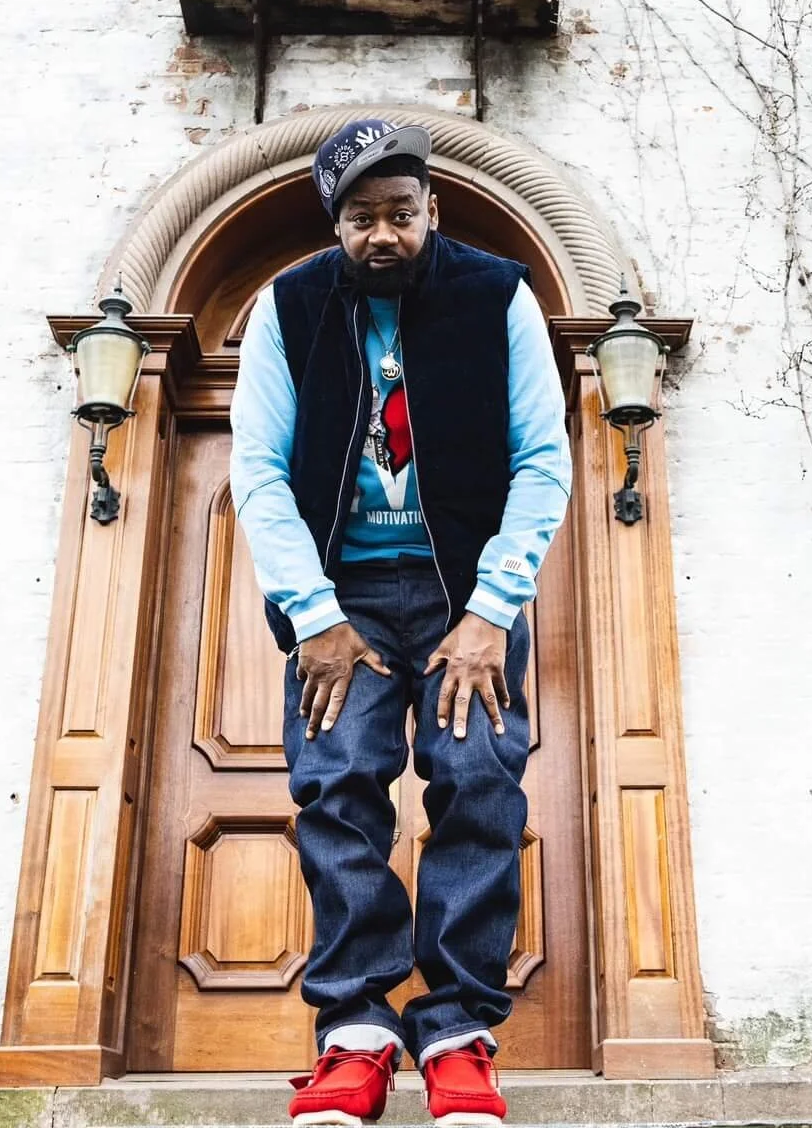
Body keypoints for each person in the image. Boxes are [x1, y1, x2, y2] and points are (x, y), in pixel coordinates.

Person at [229, 120, 572, 1128]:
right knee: (336, 787)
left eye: (400, 213)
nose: (381, 235)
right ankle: (356, 1035)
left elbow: (540, 461)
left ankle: (459, 1032)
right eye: (359, 217)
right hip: (341, 601)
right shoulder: (286, 306)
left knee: (475, 789)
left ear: (434, 209)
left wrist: (490, 612)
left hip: (463, 595)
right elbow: (257, 471)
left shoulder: (496, 293)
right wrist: (313, 616)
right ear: (333, 222)